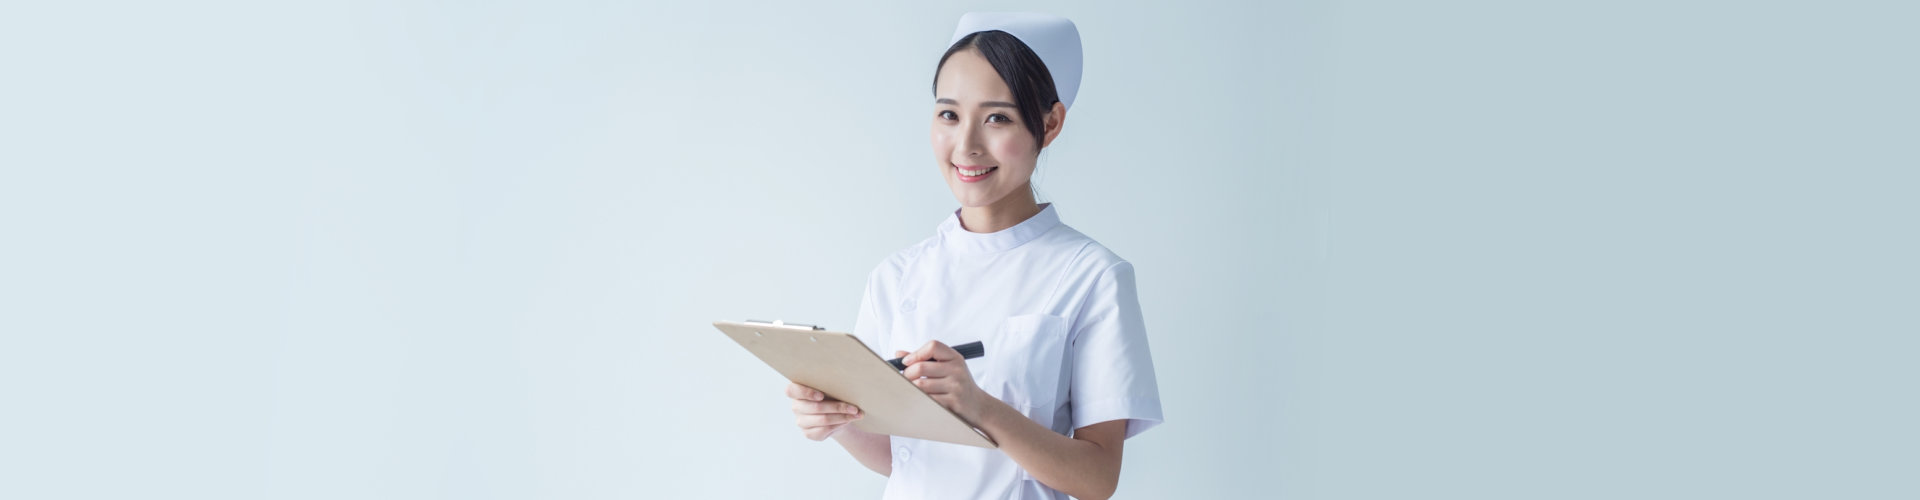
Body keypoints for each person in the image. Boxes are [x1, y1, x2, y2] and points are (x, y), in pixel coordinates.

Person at [782, 12, 1163, 500]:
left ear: (1050, 124)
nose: (966, 146)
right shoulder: (895, 277)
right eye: (949, 115)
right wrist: (838, 419)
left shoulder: (1092, 276)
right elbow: (903, 461)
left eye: (997, 118)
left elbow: (1098, 478)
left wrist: (981, 407)